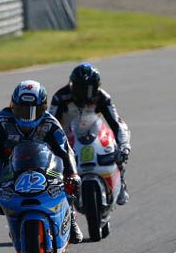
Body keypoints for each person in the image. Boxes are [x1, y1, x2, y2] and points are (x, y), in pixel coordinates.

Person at [0, 80, 84, 244]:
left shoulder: (50, 123)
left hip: (44, 171)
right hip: (8, 172)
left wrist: (73, 174)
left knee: (70, 183)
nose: (27, 116)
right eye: (22, 110)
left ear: (43, 108)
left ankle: (70, 218)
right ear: (13, 106)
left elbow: (65, 151)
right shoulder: (1, 122)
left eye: (33, 111)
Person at [49, 62, 132, 207]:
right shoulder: (60, 97)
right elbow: (49, 123)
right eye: (76, 86)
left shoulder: (102, 97)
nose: (79, 92)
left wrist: (124, 145)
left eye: (83, 88)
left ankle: (121, 181)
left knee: (116, 148)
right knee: (54, 165)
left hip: (93, 130)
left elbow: (116, 123)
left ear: (94, 87)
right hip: (67, 134)